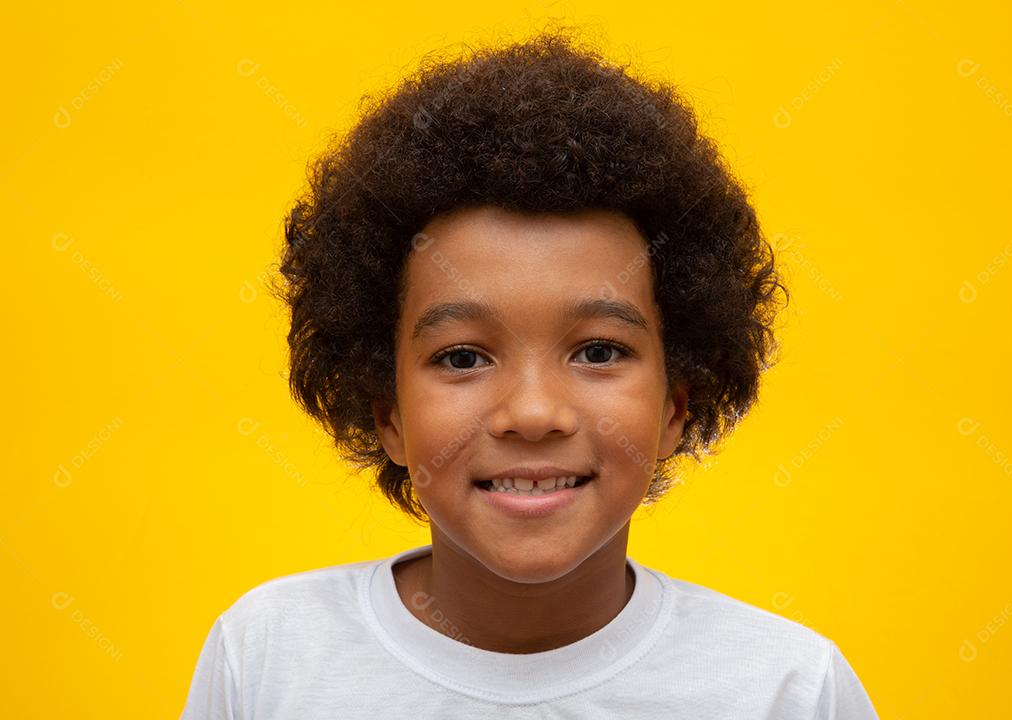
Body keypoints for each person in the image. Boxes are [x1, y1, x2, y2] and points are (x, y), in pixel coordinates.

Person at [181, 26, 879, 719]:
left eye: (599, 351)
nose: (535, 413)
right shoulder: (270, 659)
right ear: (386, 413)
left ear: (676, 404)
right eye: (463, 357)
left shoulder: (786, 689)